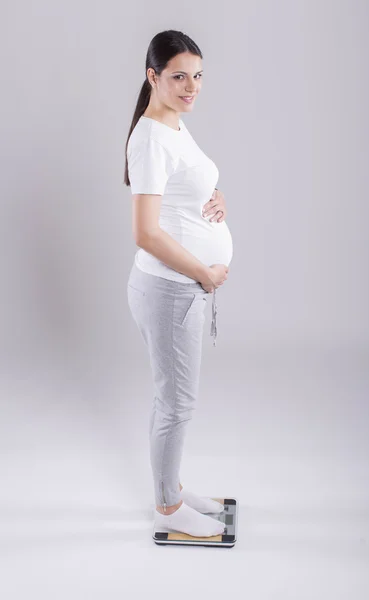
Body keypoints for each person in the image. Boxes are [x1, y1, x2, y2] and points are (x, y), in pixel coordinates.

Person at [123, 30, 233, 538]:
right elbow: (145, 232)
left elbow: (192, 182)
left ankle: (173, 488)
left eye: (198, 76)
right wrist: (204, 273)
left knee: (172, 399)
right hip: (170, 291)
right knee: (177, 403)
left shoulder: (175, 123)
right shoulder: (149, 137)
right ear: (154, 77)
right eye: (179, 77)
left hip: (179, 290)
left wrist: (218, 199)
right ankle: (168, 508)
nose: (193, 87)